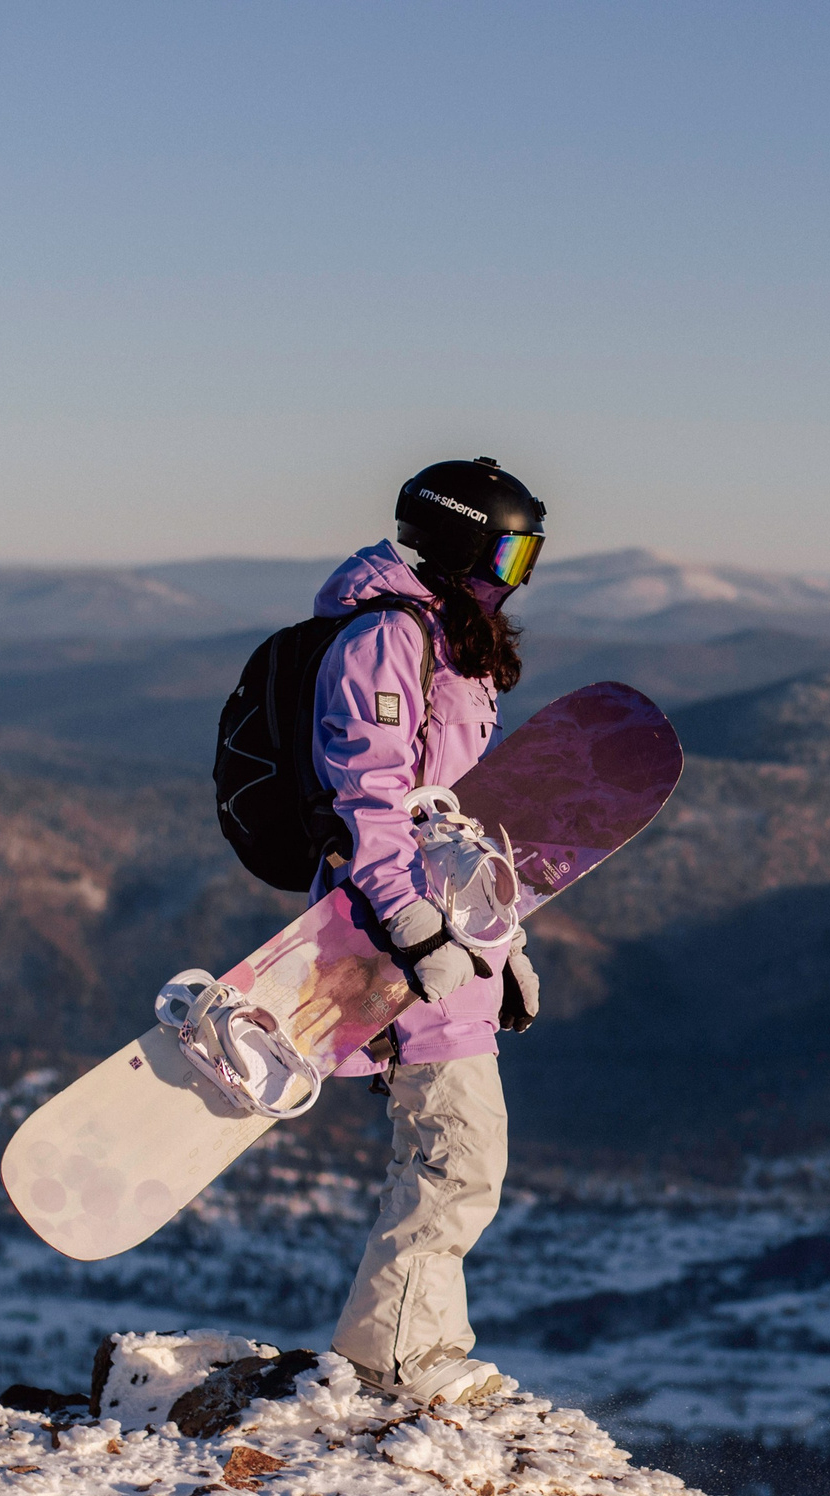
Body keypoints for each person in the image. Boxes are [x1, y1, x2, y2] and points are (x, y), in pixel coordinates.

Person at [312, 456, 546, 1407]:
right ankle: (395, 1363)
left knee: (459, 1153)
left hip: (447, 940)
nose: (516, 573)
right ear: (457, 540)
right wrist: (415, 932)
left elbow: (452, 817)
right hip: (394, 940)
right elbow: (369, 803)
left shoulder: (449, 638)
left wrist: (505, 944)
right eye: (508, 550)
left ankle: (425, 1342)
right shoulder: (383, 640)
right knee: (454, 1150)